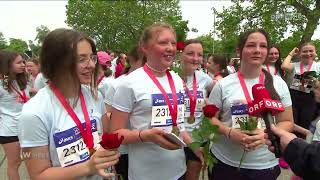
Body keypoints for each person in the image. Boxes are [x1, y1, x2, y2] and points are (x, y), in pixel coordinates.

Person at [18, 28, 119, 180]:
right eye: (81, 59)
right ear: (57, 63)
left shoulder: (95, 95)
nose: (91, 64)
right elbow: (39, 175)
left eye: (92, 57)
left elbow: (105, 137)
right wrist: (87, 167)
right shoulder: (34, 112)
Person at [110, 23, 200, 180]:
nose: (171, 48)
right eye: (163, 42)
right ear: (145, 47)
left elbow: (179, 125)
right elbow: (115, 133)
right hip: (145, 174)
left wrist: (196, 149)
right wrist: (146, 136)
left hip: (178, 171)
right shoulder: (129, 83)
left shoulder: (177, 80)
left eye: (173, 43)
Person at [208, 29, 294, 180]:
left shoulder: (279, 83)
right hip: (225, 162)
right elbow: (210, 119)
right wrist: (229, 132)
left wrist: (265, 135)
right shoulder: (223, 84)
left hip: (264, 165)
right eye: (251, 45)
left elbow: (287, 122)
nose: (257, 50)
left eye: (263, 46)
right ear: (239, 51)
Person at [179, 39, 213, 180]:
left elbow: (220, 98)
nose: (196, 58)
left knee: (192, 177)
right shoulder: (169, 77)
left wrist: (209, 104)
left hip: (198, 139)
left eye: (200, 55)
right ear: (180, 55)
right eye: (190, 53)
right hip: (176, 138)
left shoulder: (205, 79)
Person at [0, 50, 29, 180]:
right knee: (15, 163)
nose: (23, 64)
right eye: (19, 62)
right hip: (10, 131)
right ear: (7, 65)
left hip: (26, 128)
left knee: (30, 159)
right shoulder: (1, 85)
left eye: (23, 61)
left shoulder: (21, 80)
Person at [281, 43, 320, 130]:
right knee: (293, 120)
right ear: (300, 53)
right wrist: (291, 53)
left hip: (309, 97)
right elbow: (284, 66)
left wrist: (316, 82)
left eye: (311, 51)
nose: (308, 53)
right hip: (293, 96)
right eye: (304, 51)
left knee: (306, 121)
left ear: (315, 52)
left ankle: (304, 142)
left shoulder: (318, 66)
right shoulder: (295, 65)